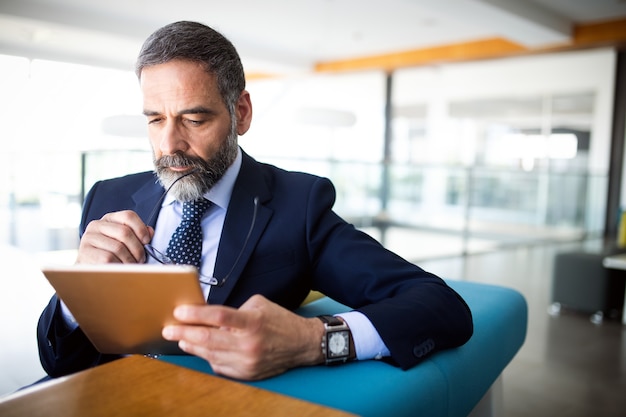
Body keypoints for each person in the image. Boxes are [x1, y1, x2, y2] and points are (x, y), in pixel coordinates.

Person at [37, 21, 473, 381]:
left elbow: (441, 306)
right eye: (155, 119)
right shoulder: (106, 197)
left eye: (194, 118)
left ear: (241, 113)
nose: (170, 144)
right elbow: (59, 360)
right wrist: (78, 298)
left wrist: (311, 341)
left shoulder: (299, 206)